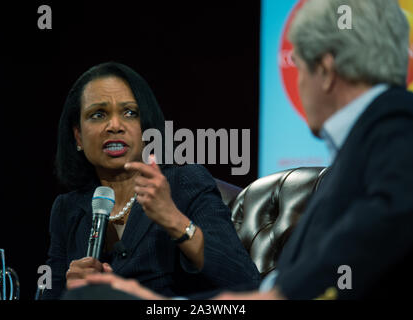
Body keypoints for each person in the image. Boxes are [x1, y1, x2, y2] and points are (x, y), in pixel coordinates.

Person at [67, 0, 413, 300]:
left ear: (323, 71)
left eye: (299, 68)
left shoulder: (396, 122)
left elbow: (387, 219)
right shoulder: (364, 145)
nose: (299, 84)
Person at [41, 62, 261, 299]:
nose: (115, 126)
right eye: (98, 115)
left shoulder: (185, 183)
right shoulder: (67, 209)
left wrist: (173, 219)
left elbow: (246, 281)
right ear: (78, 137)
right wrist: (68, 286)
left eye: (130, 113)